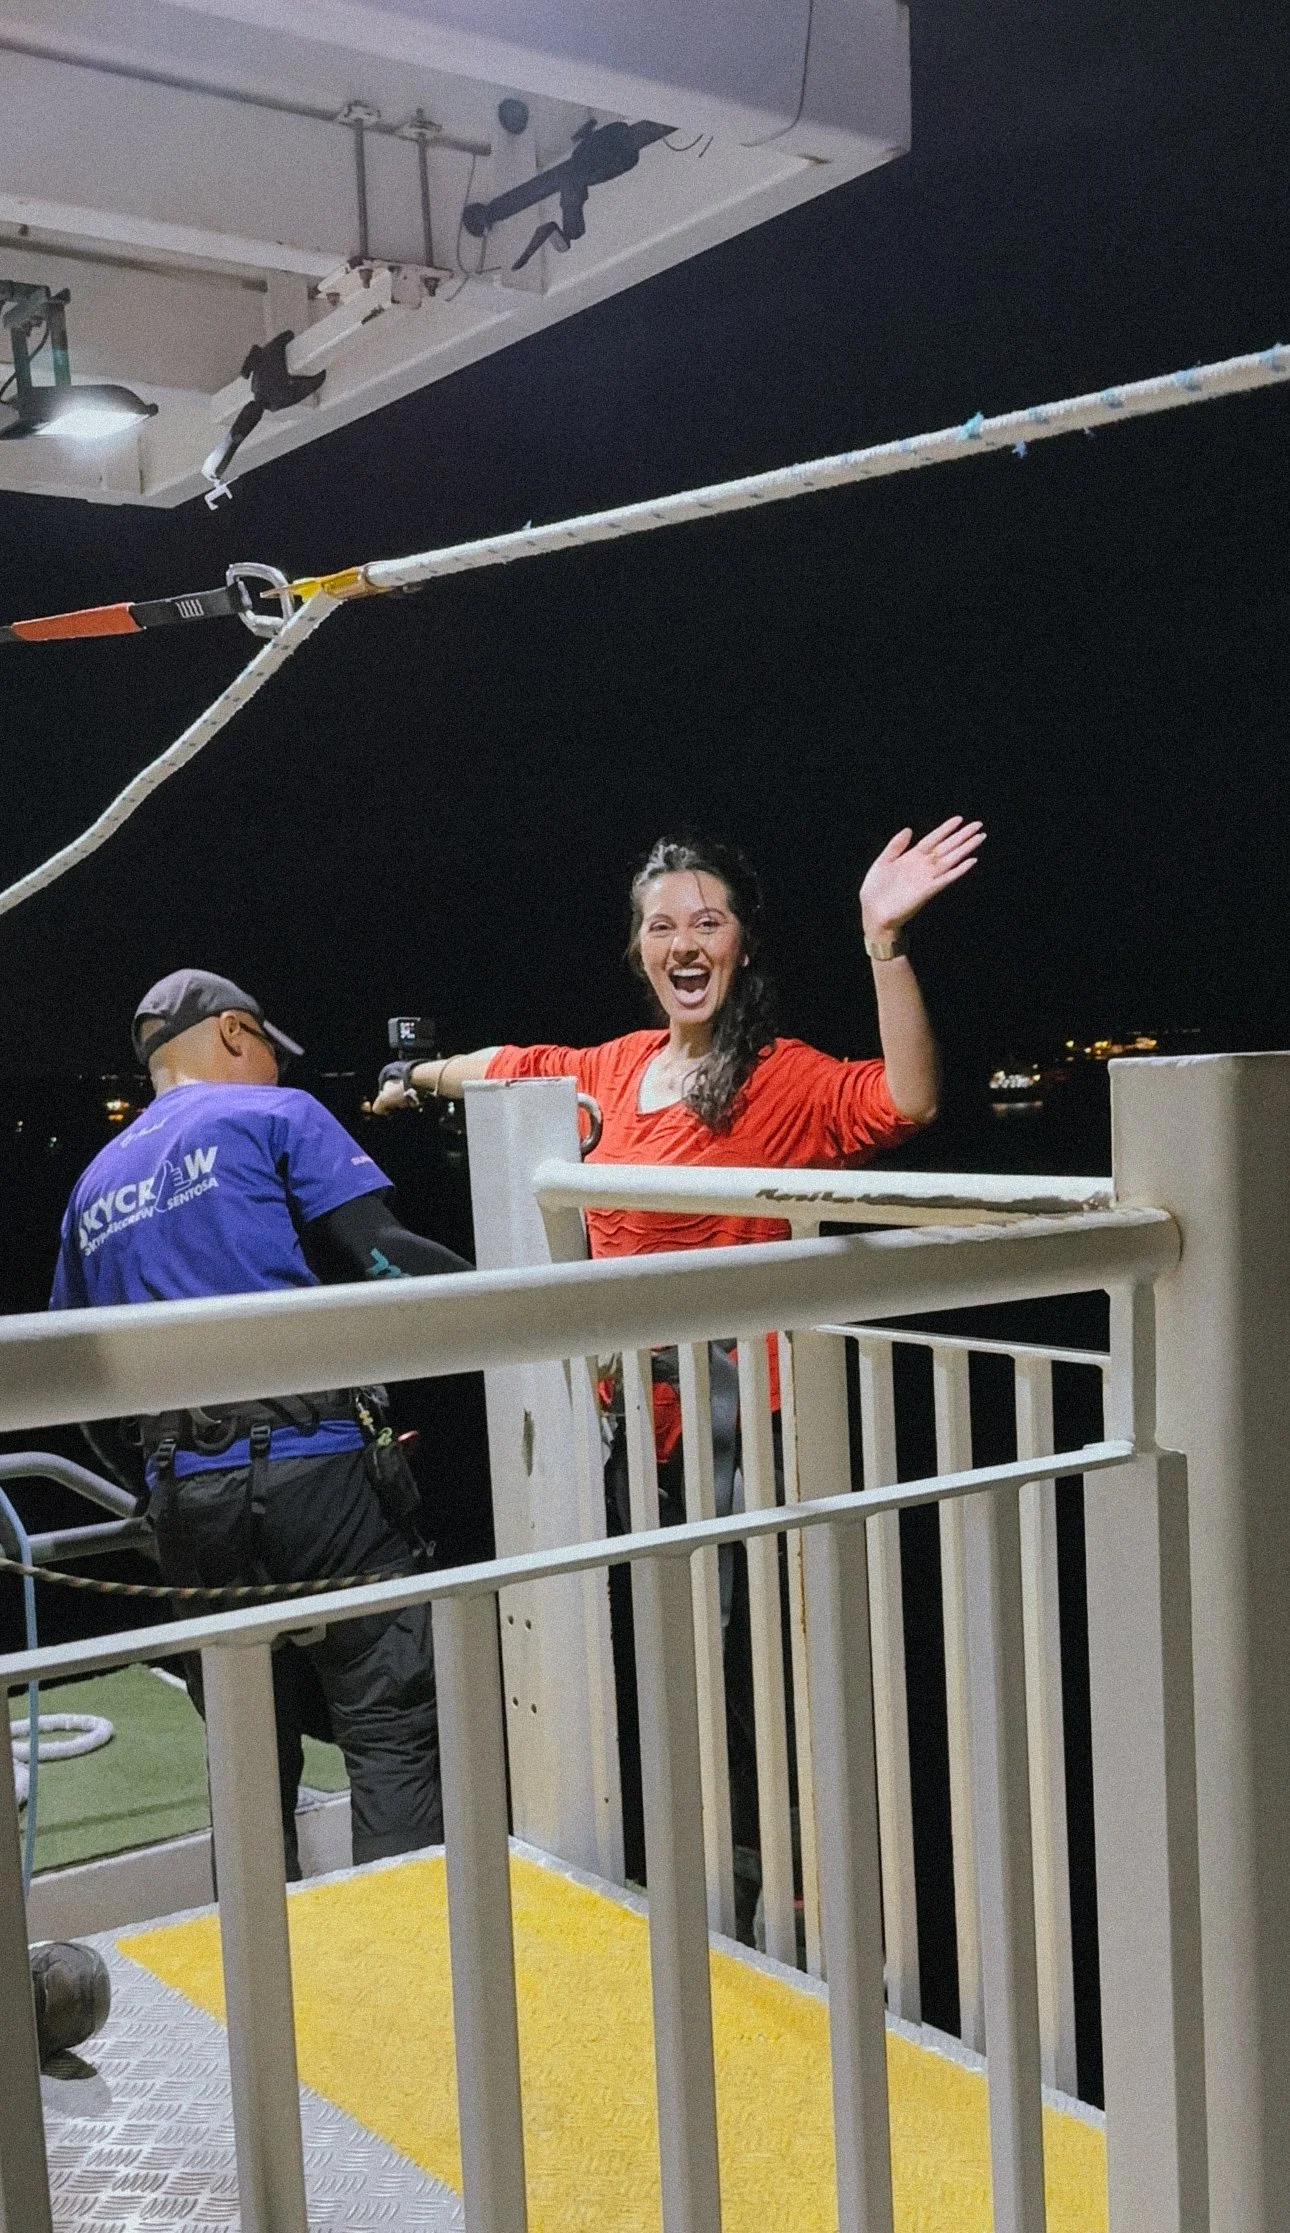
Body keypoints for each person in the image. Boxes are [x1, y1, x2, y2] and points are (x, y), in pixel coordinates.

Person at [373, 819, 984, 1920]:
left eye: (708, 921)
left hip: (750, 1427)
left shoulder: (779, 1079)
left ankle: (794, 1888)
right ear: (639, 951)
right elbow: (504, 1066)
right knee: (663, 1660)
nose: (685, 941)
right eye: (663, 925)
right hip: (633, 1435)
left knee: (760, 1674)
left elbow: (907, 1101)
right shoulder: (609, 1070)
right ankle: (689, 1871)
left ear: (742, 946)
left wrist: (882, 942)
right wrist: (413, 1076)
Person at [50, 968, 470, 1876]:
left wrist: (151, 1485)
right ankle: (416, 1972)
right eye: (272, 1050)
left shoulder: (92, 1184)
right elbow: (384, 1258)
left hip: (188, 1505)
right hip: (321, 1479)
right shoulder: (273, 1117)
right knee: (390, 1723)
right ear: (237, 1034)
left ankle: (257, 1983)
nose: (279, 1067)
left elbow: (71, 1384)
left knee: (246, 1751)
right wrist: (524, 1303)